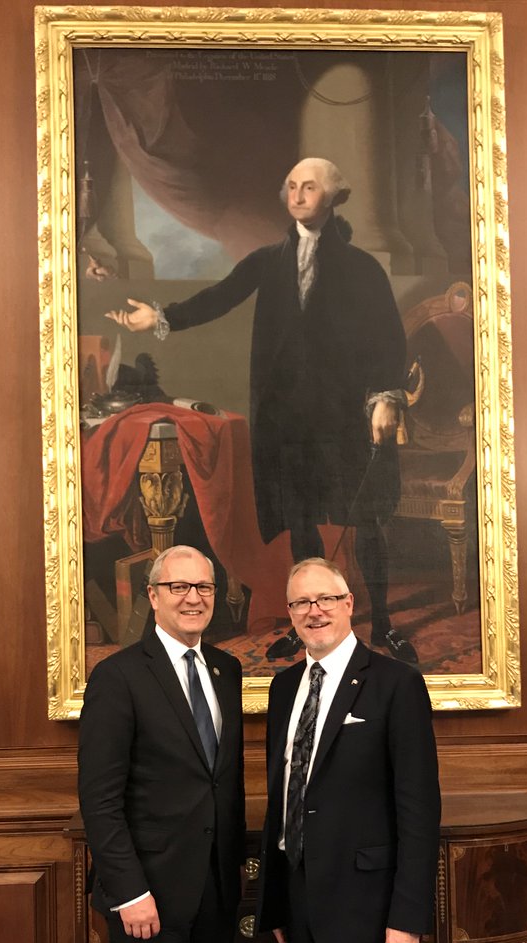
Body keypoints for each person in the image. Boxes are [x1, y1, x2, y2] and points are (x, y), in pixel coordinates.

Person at [106, 157, 418, 665]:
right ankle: (307, 622)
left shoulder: (362, 268)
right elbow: (220, 296)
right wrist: (160, 317)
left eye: (309, 187)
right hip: (288, 420)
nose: (297, 195)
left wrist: (386, 397)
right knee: (301, 523)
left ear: (334, 196)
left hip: (345, 417)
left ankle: (382, 622)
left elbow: (388, 337)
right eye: (291, 186)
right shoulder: (269, 260)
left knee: (366, 519)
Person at [255, 557, 441, 943]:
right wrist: (278, 902)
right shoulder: (285, 688)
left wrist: (407, 916)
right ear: (290, 614)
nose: (314, 612)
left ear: (349, 603)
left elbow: (418, 808)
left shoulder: (394, 684)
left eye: (325, 599)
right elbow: (284, 797)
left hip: (370, 906)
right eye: (300, 603)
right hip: (303, 898)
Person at [78, 545, 246, 943]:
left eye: (204, 587)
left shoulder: (226, 670)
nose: (193, 598)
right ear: (152, 596)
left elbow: (221, 786)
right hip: (148, 900)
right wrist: (129, 891)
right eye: (178, 587)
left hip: (214, 893)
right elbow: (100, 800)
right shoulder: (119, 677)